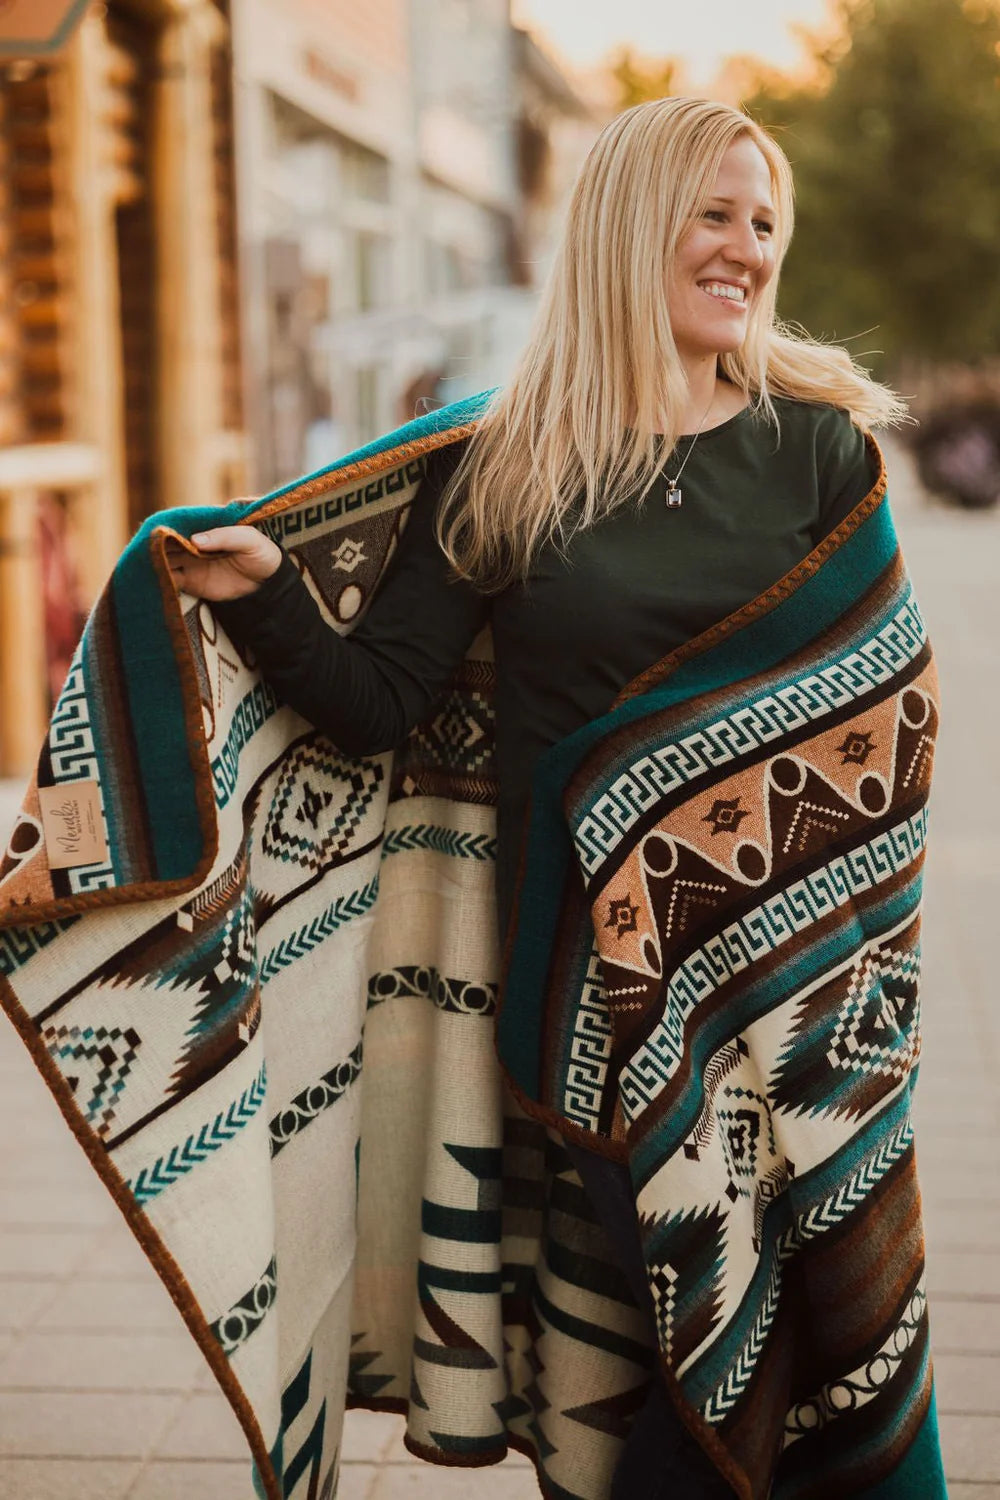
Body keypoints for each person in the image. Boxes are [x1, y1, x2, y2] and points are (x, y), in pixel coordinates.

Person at [167, 97, 904, 1498]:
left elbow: (886, 715)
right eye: (713, 214)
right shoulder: (504, 464)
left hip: (785, 986)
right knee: (645, 1362)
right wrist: (264, 597)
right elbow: (381, 701)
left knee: (791, 1350)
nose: (748, 248)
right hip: (584, 992)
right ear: (628, 225)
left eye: (764, 223)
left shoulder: (818, 455)